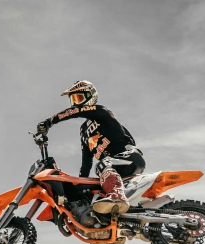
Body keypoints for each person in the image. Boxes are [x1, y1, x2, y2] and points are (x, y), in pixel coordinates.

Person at [37, 80, 145, 225]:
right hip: (114, 166)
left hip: (128, 156)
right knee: (90, 187)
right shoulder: (84, 132)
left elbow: (76, 111)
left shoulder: (101, 111)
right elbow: (86, 163)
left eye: (80, 98)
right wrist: (80, 187)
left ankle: (117, 195)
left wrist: (49, 121)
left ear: (91, 96)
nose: (76, 103)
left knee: (102, 165)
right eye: (74, 99)